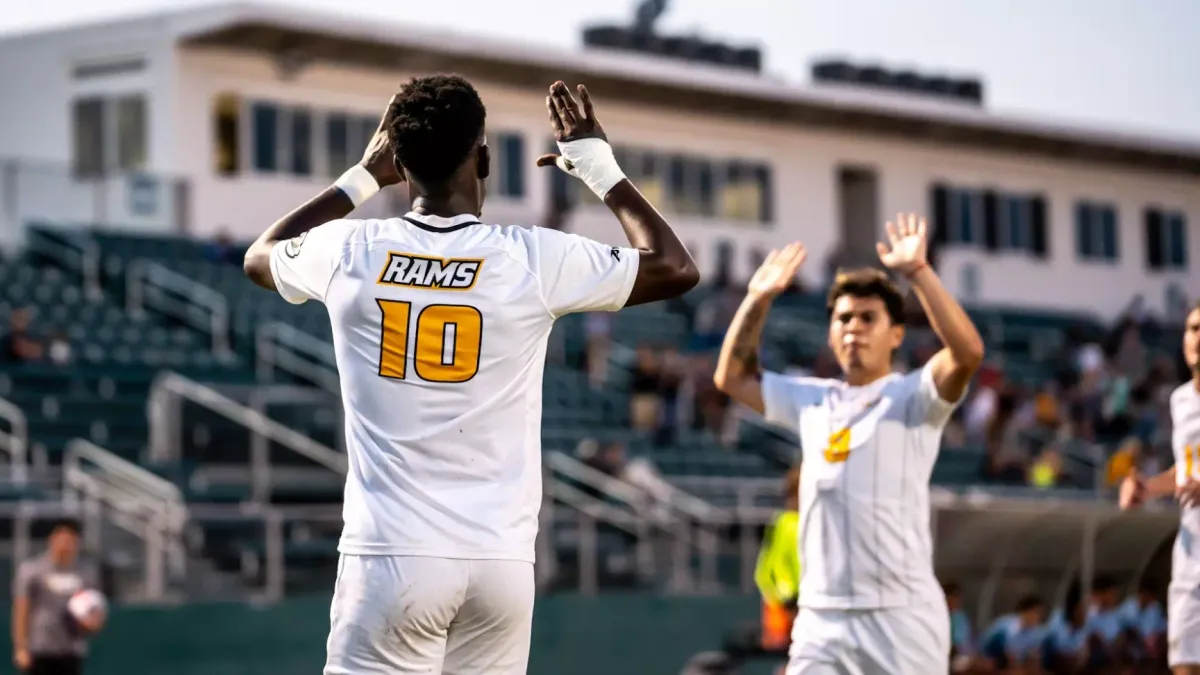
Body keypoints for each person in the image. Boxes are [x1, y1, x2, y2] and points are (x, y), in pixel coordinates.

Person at [242, 75, 698, 675]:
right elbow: (673, 267)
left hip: (391, 555)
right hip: (499, 562)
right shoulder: (532, 257)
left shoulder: (350, 251)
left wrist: (361, 176)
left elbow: (260, 255)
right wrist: (597, 166)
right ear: (483, 157)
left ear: (399, 162)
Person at [712, 214, 984, 675]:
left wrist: (918, 272)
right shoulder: (812, 398)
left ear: (896, 333)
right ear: (831, 332)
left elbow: (967, 353)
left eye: (868, 318)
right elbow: (731, 377)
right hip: (822, 617)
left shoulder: (915, 396)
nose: (853, 327)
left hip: (900, 616)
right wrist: (757, 299)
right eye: (843, 318)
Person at [1120, 300, 1200, 675]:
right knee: (1184, 664)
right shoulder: (1180, 400)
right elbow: (1184, 472)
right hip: (1191, 556)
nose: (1197, 337)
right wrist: (1146, 489)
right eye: (1192, 328)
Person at [11, 520, 105, 675]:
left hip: (71, 648)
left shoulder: (86, 573)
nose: (65, 545)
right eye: (61, 539)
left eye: (70, 540)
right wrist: (21, 648)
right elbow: (22, 609)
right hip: (40, 647)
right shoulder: (32, 570)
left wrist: (93, 623)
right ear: (52, 540)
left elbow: (94, 607)